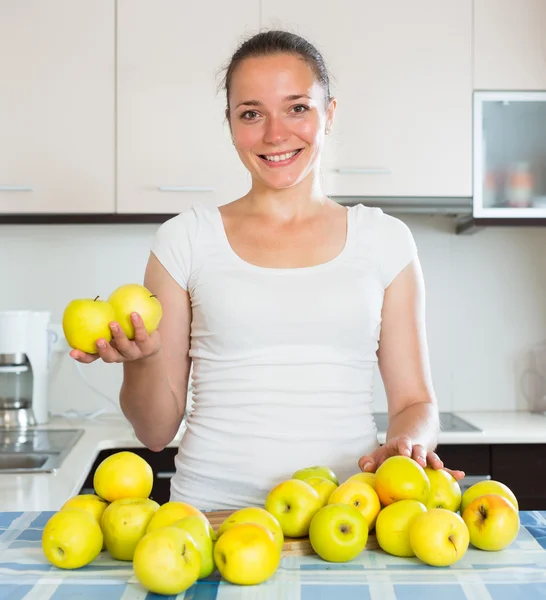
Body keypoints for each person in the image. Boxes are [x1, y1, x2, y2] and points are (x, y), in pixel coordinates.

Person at [71, 30, 464, 510]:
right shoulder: (185, 239)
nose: (275, 134)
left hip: (344, 516)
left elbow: (414, 404)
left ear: (330, 114)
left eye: (297, 107)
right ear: (231, 123)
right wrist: (142, 360)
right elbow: (154, 433)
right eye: (251, 113)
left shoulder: (384, 240)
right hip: (208, 520)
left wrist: (408, 447)